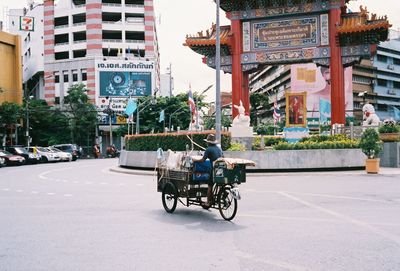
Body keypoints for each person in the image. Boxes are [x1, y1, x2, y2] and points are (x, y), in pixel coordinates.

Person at [193, 134, 223, 207]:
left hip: (214, 169)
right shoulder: (219, 148)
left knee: (210, 186)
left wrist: (195, 160)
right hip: (221, 169)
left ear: (208, 142)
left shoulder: (208, 149)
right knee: (219, 183)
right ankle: (216, 198)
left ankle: (208, 202)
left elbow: (203, 160)